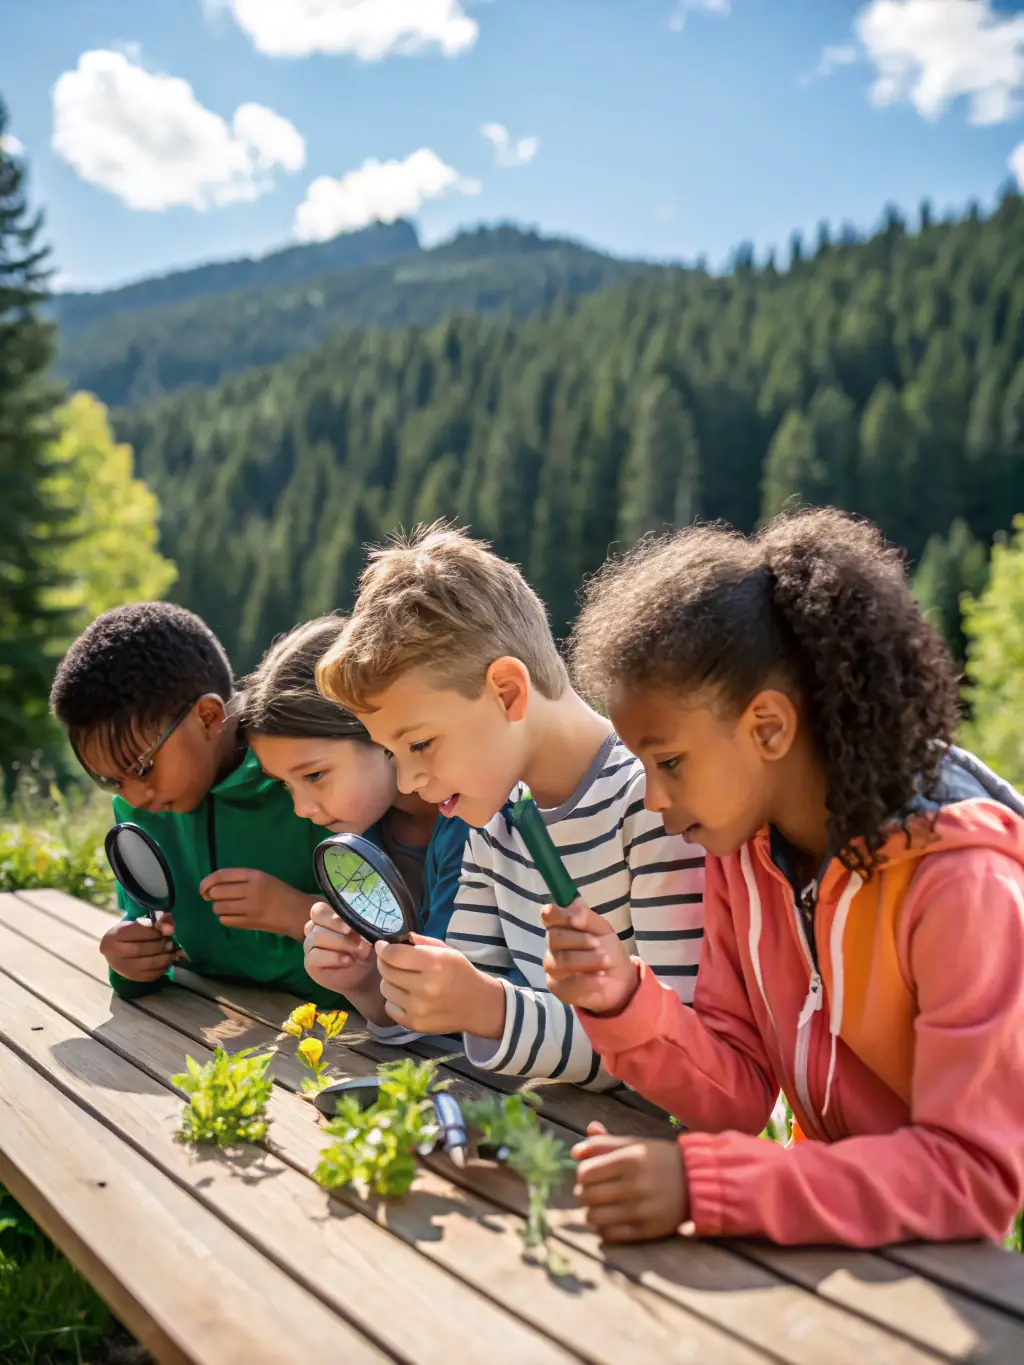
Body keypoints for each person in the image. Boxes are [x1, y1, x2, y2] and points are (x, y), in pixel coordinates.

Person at [542, 507, 1024, 1247]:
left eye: (668, 761)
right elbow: (739, 1093)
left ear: (767, 726)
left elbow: (970, 1176)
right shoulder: (745, 854)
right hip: (840, 1243)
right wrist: (624, 998)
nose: (651, 795)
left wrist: (708, 1185)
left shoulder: (963, 882)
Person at [314, 522, 705, 1087]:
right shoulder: (494, 817)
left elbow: (676, 1047)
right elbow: (468, 1000)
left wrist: (488, 1008)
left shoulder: (651, 809)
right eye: (391, 753)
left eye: (420, 743)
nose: (407, 779)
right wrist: (370, 984)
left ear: (507, 691)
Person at [49, 601, 342, 1006]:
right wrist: (131, 961)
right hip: (193, 1026)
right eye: (110, 780)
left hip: (333, 1032)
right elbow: (146, 924)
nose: (134, 797)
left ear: (207, 717)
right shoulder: (140, 811)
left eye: (142, 768)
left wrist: (297, 914)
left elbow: (392, 932)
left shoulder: (308, 783)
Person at [240, 615, 469, 1038]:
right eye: (285, 786)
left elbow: (458, 1015)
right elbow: (416, 1023)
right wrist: (360, 982)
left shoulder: (472, 823)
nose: (302, 808)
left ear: (379, 733)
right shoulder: (366, 840)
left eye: (314, 776)